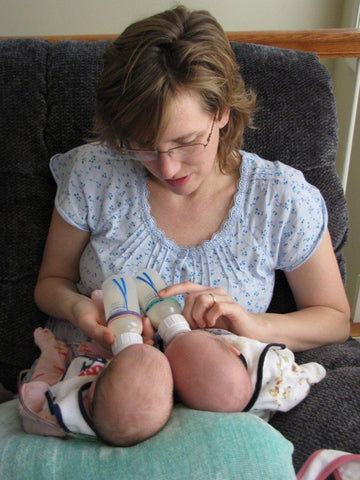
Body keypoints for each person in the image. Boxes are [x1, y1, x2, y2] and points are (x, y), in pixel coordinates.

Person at [32, 3, 353, 467]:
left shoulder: (279, 197)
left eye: (186, 142)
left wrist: (251, 323)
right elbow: (50, 283)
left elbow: (334, 318)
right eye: (141, 144)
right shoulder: (95, 171)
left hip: (217, 404)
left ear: (222, 112)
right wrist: (81, 310)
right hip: (101, 385)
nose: (166, 167)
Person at [18, 328, 173, 446]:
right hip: (88, 371)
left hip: (54, 384)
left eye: (111, 361)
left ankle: (52, 349)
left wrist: (32, 397)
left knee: (47, 372)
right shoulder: (117, 411)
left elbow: (30, 419)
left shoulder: (63, 417)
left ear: (91, 389)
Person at [163, 329, 326, 420]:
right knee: (300, 378)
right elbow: (299, 380)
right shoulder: (275, 379)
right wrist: (313, 372)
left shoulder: (195, 407)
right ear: (234, 350)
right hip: (277, 375)